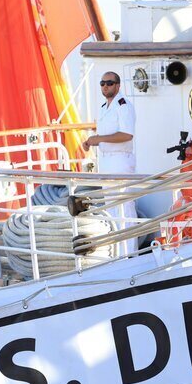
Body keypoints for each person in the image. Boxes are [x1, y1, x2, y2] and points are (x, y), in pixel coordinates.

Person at [81, 71, 138, 253]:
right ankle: (117, 252)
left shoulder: (123, 106)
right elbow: (105, 136)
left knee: (124, 208)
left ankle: (129, 253)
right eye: (102, 83)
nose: (105, 86)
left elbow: (127, 134)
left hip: (120, 161)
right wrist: (92, 141)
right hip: (106, 162)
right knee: (111, 209)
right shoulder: (104, 107)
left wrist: (99, 139)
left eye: (110, 83)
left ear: (118, 85)